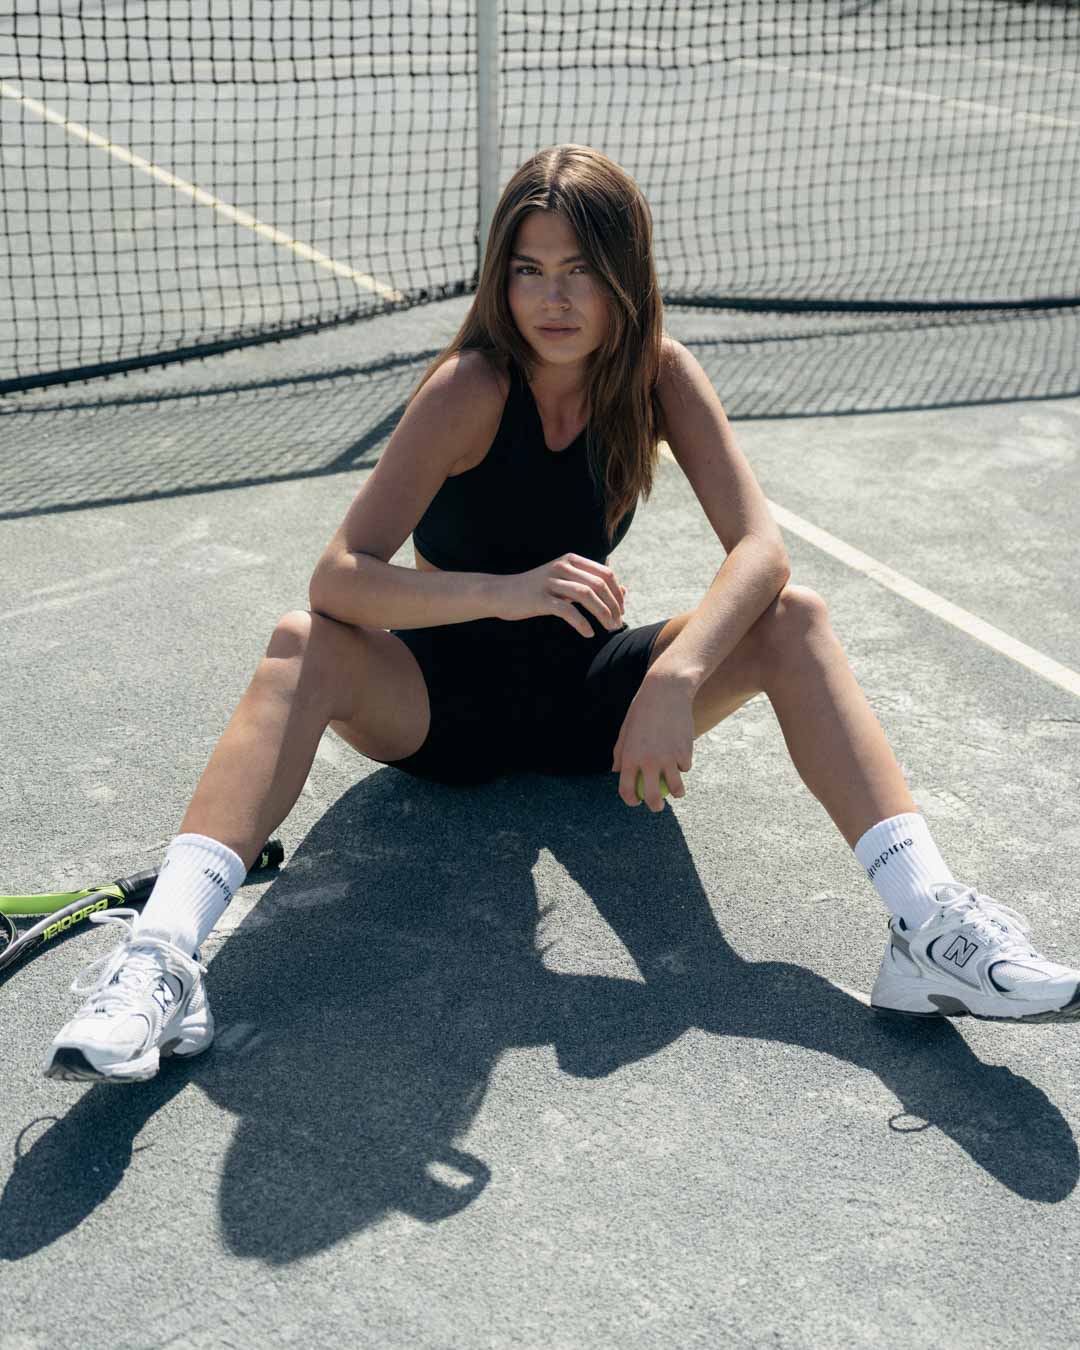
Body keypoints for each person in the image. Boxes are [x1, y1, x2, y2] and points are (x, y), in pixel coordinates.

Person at [43, 144, 1080, 1083]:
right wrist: (505, 590)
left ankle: (928, 931)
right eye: (530, 270)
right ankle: (162, 960)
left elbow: (761, 551)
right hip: (438, 708)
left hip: (592, 703)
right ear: (503, 280)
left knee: (795, 618)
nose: (554, 296)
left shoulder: (660, 377)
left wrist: (673, 679)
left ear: (624, 276)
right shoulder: (469, 389)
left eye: (579, 269)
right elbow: (341, 576)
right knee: (299, 644)